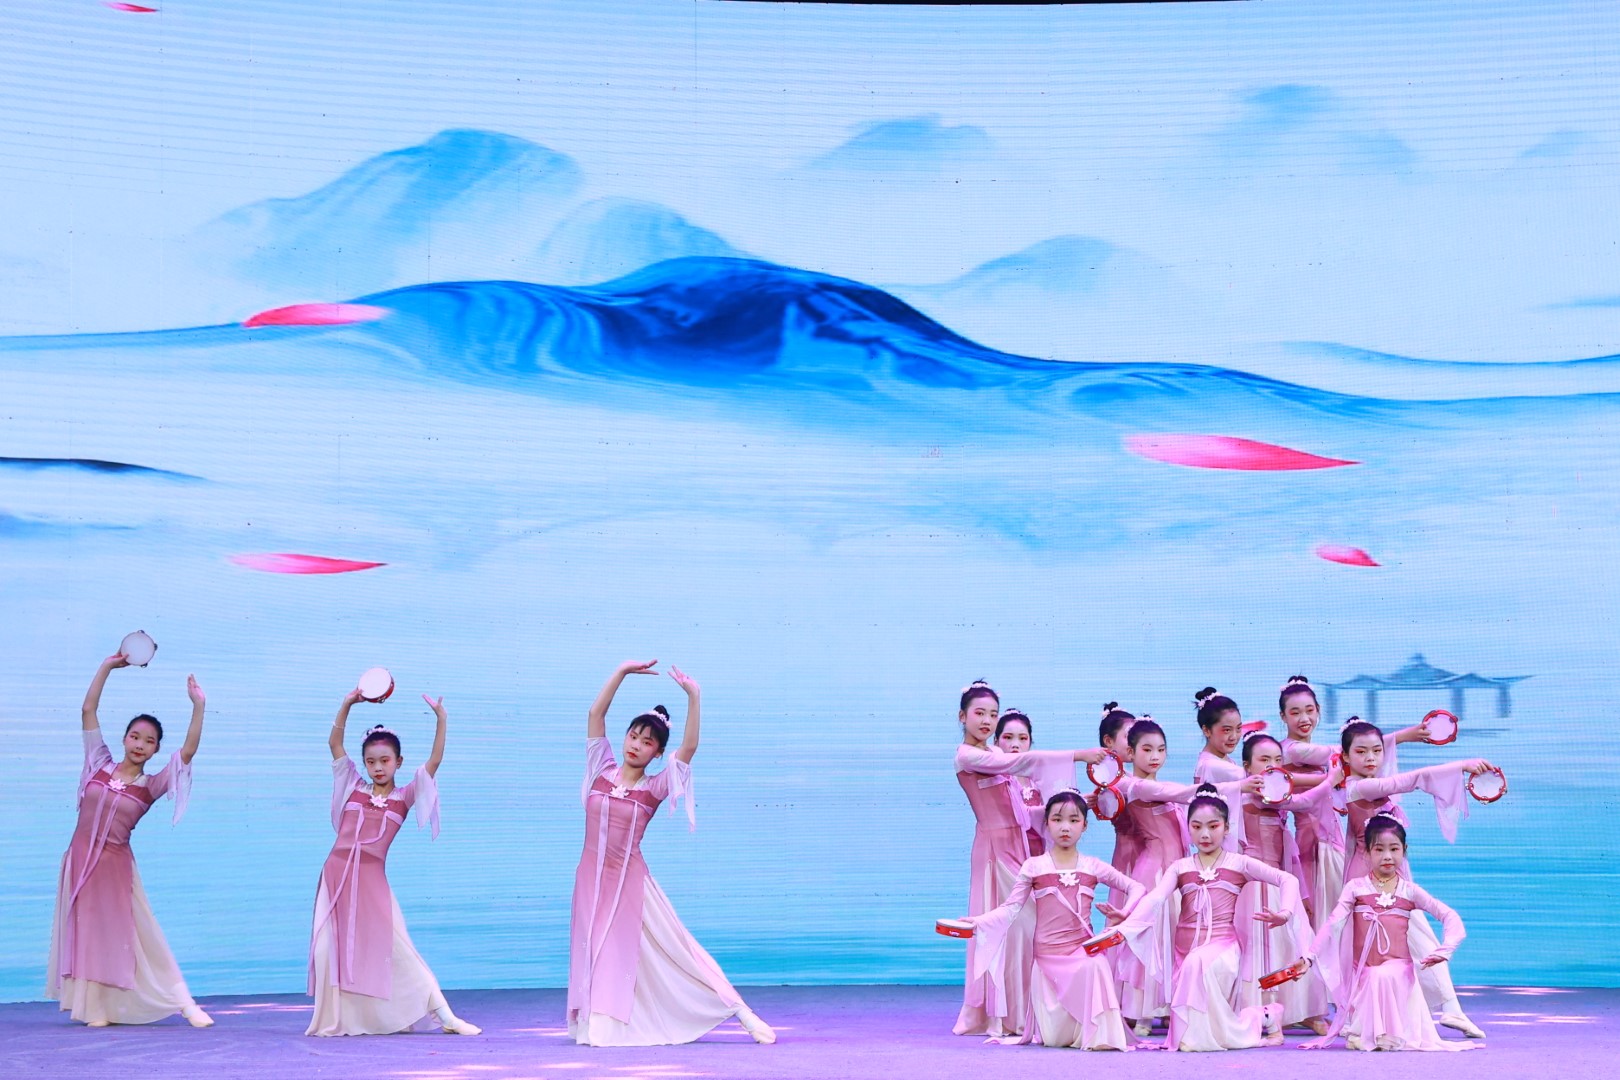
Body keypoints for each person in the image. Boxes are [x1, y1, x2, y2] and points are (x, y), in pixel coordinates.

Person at [568, 661, 775, 1046]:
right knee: (592, 950)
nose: (636, 745)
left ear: (658, 753)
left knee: (679, 948)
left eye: (647, 742)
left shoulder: (654, 787)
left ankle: (741, 1012)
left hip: (630, 884)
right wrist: (621, 672)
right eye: (633, 736)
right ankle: (598, 1024)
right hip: (589, 882)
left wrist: (694, 696)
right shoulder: (600, 767)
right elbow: (595, 714)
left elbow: (690, 748)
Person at [47, 653, 212, 1028]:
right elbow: (88, 710)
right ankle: (96, 1008)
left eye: (149, 741)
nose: (140, 744)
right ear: (124, 738)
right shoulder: (98, 763)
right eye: (135, 736)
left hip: (116, 868)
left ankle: (185, 1003)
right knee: (88, 934)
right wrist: (107, 666)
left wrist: (199, 706)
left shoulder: (150, 786)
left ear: (155, 750)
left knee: (142, 935)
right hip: (79, 861)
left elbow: (187, 752)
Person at [307, 691, 478, 1036]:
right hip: (335, 877)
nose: (378, 767)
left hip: (372, 882)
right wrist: (348, 703)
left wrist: (442, 719)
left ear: (398, 762)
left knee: (399, 950)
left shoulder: (404, 797)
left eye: (385, 760)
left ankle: (446, 1016)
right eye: (371, 761)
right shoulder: (352, 786)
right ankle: (348, 1017)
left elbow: (434, 762)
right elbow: (334, 743)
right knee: (328, 951)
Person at [953, 680, 1108, 1036]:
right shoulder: (968, 756)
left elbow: (1026, 814)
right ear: (962, 717)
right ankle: (1006, 1013)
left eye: (992, 714)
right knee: (1013, 925)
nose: (986, 721)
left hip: (1017, 845)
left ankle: (1026, 1008)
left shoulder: (993, 757)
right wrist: (1078, 755)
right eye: (979, 713)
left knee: (1023, 930)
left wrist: (1074, 805)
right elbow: (1023, 761)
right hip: (995, 852)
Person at [1116, 785, 1306, 1051]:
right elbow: (1156, 898)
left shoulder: (1238, 863)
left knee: (1197, 966)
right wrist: (1128, 920)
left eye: (1213, 826)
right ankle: (1264, 1016)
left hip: (1222, 948)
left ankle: (1243, 1024)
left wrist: (1285, 912)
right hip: (1185, 951)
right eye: (1196, 827)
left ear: (1226, 828)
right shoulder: (1180, 866)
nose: (1205, 834)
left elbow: (1287, 879)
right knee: (1200, 1005)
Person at [962, 791, 1143, 1050]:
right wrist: (978, 922)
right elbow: (1010, 908)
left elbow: (1136, 887)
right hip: (1047, 958)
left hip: (1082, 952)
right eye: (1057, 820)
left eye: (1073, 820)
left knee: (1097, 965)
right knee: (1055, 1040)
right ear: (1046, 824)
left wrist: (1125, 914)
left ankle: (1099, 1035)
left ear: (1084, 825)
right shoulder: (1034, 866)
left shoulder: (1093, 866)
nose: (1065, 827)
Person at [1301, 815, 1477, 1052]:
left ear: (1404, 850)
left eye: (1394, 849)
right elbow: (1333, 923)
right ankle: (1370, 1032)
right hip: (1364, 972)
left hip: (1398, 973)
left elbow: (1450, 916)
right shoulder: (1356, 888)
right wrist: (1309, 957)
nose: (1387, 856)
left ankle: (1381, 1033)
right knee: (1373, 976)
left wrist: (1445, 950)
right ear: (1366, 853)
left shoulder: (1409, 891)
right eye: (1379, 849)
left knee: (1381, 975)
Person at [1191, 689, 1246, 784]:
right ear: (1207, 730)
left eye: (1238, 728)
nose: (1234, 737)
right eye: (1227, 730)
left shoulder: (1219, 760)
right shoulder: (1211, 765)